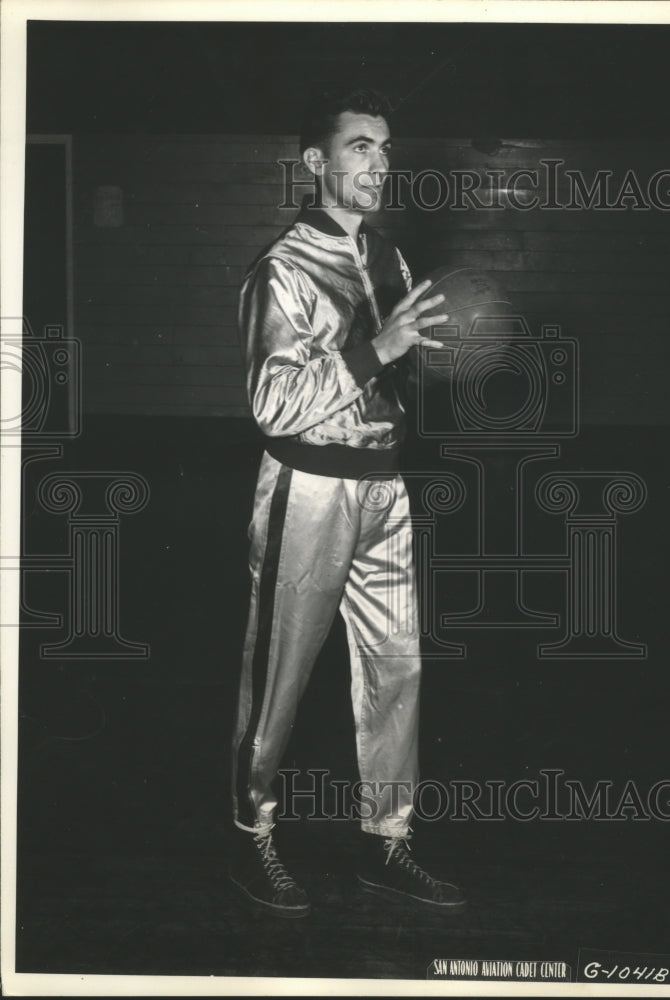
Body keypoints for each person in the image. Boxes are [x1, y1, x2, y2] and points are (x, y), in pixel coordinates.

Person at [229, 87, 466, 917]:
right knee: (281, 678)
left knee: (397, 670)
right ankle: (251, 840)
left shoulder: (391, 258)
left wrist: (452, 351)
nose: (380, 162)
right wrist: (378, 351)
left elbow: (398, 373)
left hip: (384, 489)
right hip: (308, 489)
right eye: (361, 146)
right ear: (316, 162)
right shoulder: (283, 269)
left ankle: (384, 844)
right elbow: (274, 406)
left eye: (386, 147)